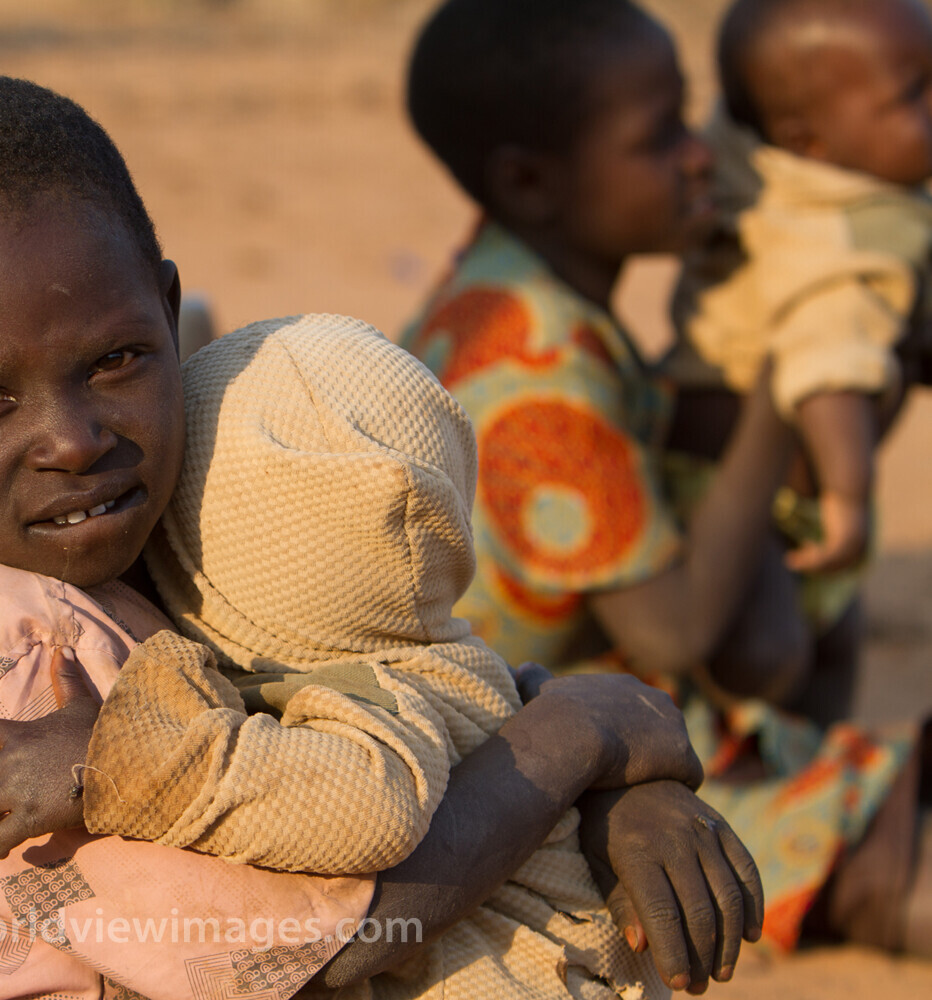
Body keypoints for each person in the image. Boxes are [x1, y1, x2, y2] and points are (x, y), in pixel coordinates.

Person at [0, 72, 757, 999]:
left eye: (116, 361)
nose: (73, 439)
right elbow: (331, 939)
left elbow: (373, 674)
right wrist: (576, 739)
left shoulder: (84, 539)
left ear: (170, 318)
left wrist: (606, 794)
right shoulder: (35, 663)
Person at [0, 311, 767, 999]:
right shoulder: (435, 655)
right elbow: (537, 717)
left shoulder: (358, 693)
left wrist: (120, 765)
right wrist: (593, 739)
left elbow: (370, 805)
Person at [398, 0, 931, 957]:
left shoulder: (528, 289)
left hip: (597, 703)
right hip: (514, 774)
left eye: (692, 120)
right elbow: (676, 625)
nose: (699, 156)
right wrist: (785, 375)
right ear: (531, 180)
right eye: (660, 139)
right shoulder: (536, 372)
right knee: (859, 860)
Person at [668, 0, 932, 725]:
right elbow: (828, 370)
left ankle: (815, 761)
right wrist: (848, 492)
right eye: (914, 95)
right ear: (809, 138)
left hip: (760, 476)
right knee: (771, 646)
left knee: (836, 632)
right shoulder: (839, 249)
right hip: (737, 484)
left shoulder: (752, 145)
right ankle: (751, 762)